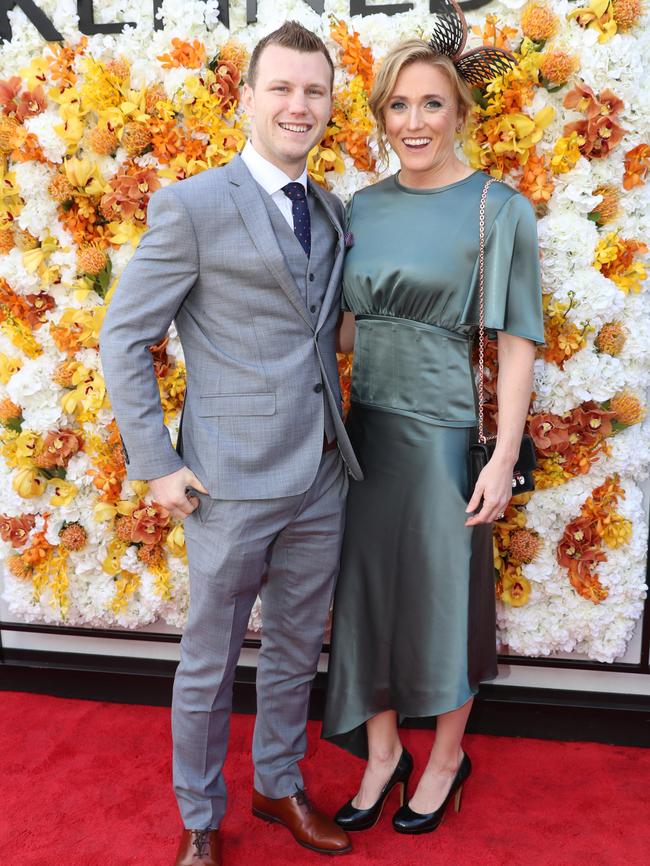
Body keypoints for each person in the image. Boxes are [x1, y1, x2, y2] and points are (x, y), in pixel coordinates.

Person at [100, 21, 363, 866]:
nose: (298, 104)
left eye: (313, 90)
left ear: (329, 104)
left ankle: (277, 783)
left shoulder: (330, 207)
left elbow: (326, 332)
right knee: (209, 664)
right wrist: (158, 464)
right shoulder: (192, 205)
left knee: (295, 648)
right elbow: (123, 339)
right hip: (226, 480)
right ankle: (201, 819)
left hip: (323, 473)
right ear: (246, 99)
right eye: (281, 88)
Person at [322, 22, 545, 837]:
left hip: (448, 438)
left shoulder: (498, 208)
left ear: (460, 112)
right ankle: (383, 752)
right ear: (381, 115)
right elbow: (345, 327)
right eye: (398, 106)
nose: (414, 122)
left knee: (449, 599)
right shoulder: (360, 207)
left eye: (432, 104)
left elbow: (517, 339)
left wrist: (506, 451)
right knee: (365, 596)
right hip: (367, 434)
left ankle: (446, 756)